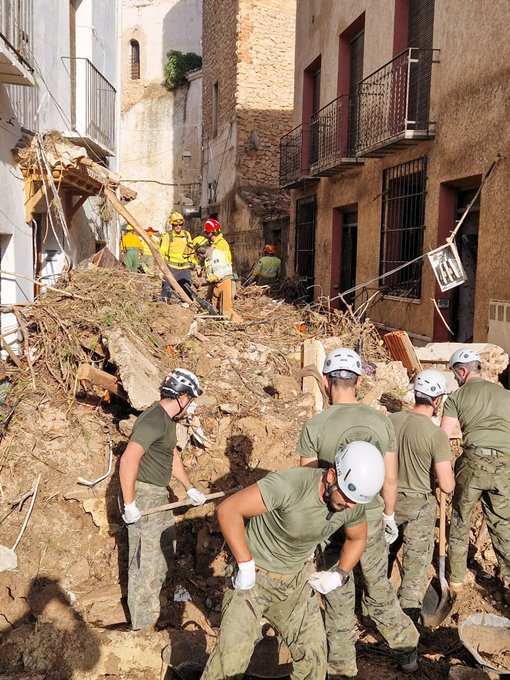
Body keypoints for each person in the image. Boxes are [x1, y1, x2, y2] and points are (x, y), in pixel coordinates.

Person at [201, 441, 386, 680]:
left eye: (355, 502)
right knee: (230, 662)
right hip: (253, 580)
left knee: (315, 660)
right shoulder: (291, 485)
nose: (349, 506)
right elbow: (228, 510)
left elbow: (357, 538)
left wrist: (340, 574)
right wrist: (245, 564)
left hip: (295, 584)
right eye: (346, 498)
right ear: (331, 476)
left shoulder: (352, 503)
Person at [297, 347, 419, 678]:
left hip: (332, 523)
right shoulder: (381, 422)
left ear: (326, 381)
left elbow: (309, 484)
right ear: (358, 380)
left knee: (336, 594)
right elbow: (390, 479)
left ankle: (341, 668)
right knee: (379, 588)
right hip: (371, 519)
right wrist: (389, 516)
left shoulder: (316, 425)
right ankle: (407, 649)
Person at [119, 368, 207, 630]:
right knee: (146, 560)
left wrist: (189, 487)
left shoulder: (168, 422)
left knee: (163, 552)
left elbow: (171, 456)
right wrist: (130, 503)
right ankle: (142, 626)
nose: (189, 406)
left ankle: (155, 611)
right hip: (144, 495)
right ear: (181, 397)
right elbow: (128, 460)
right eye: (189, 400)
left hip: (158, 494)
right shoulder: (153, 420)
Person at [441, 348, 510, 600]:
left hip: (472, 463)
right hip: (505, 465)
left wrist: (441, 468)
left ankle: (456, 580)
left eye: (455, 373)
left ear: (462, 371)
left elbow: (443, 437)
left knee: (460, 519)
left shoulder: (456, 398)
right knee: (503, 524)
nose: (456, 379)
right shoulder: (505, 395)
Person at [388, 369, 455, 623]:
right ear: (437, 400)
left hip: (388, 502)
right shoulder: (435, 434)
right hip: (418, 507)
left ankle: (373, 610)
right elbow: (446, 486)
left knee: (382, 558)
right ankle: (407, 621)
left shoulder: (391, 421)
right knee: (415, 567)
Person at [194, 237, 243, 323]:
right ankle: (221, 324)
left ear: (202, 250)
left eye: (198, 253)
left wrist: (204, 281)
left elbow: (218, 274)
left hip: (225, 282)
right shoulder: (209, 257)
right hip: (217, 283)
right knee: (215, 308)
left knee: (226, 310)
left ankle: (240, 324)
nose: (199, 256)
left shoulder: (216, 255)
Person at [159, 212, 193, 300]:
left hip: (184, 269)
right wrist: (161, 269)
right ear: (172, 225)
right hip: (171, 268)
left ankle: (187, 308)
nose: (178, 226)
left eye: (180, 224)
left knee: (187, 291)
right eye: (175, 224)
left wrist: (194, 264)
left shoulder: (187, 235)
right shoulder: (167, 236)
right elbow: (162, 253)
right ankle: (164, 305)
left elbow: (191, 251)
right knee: (166, 290)